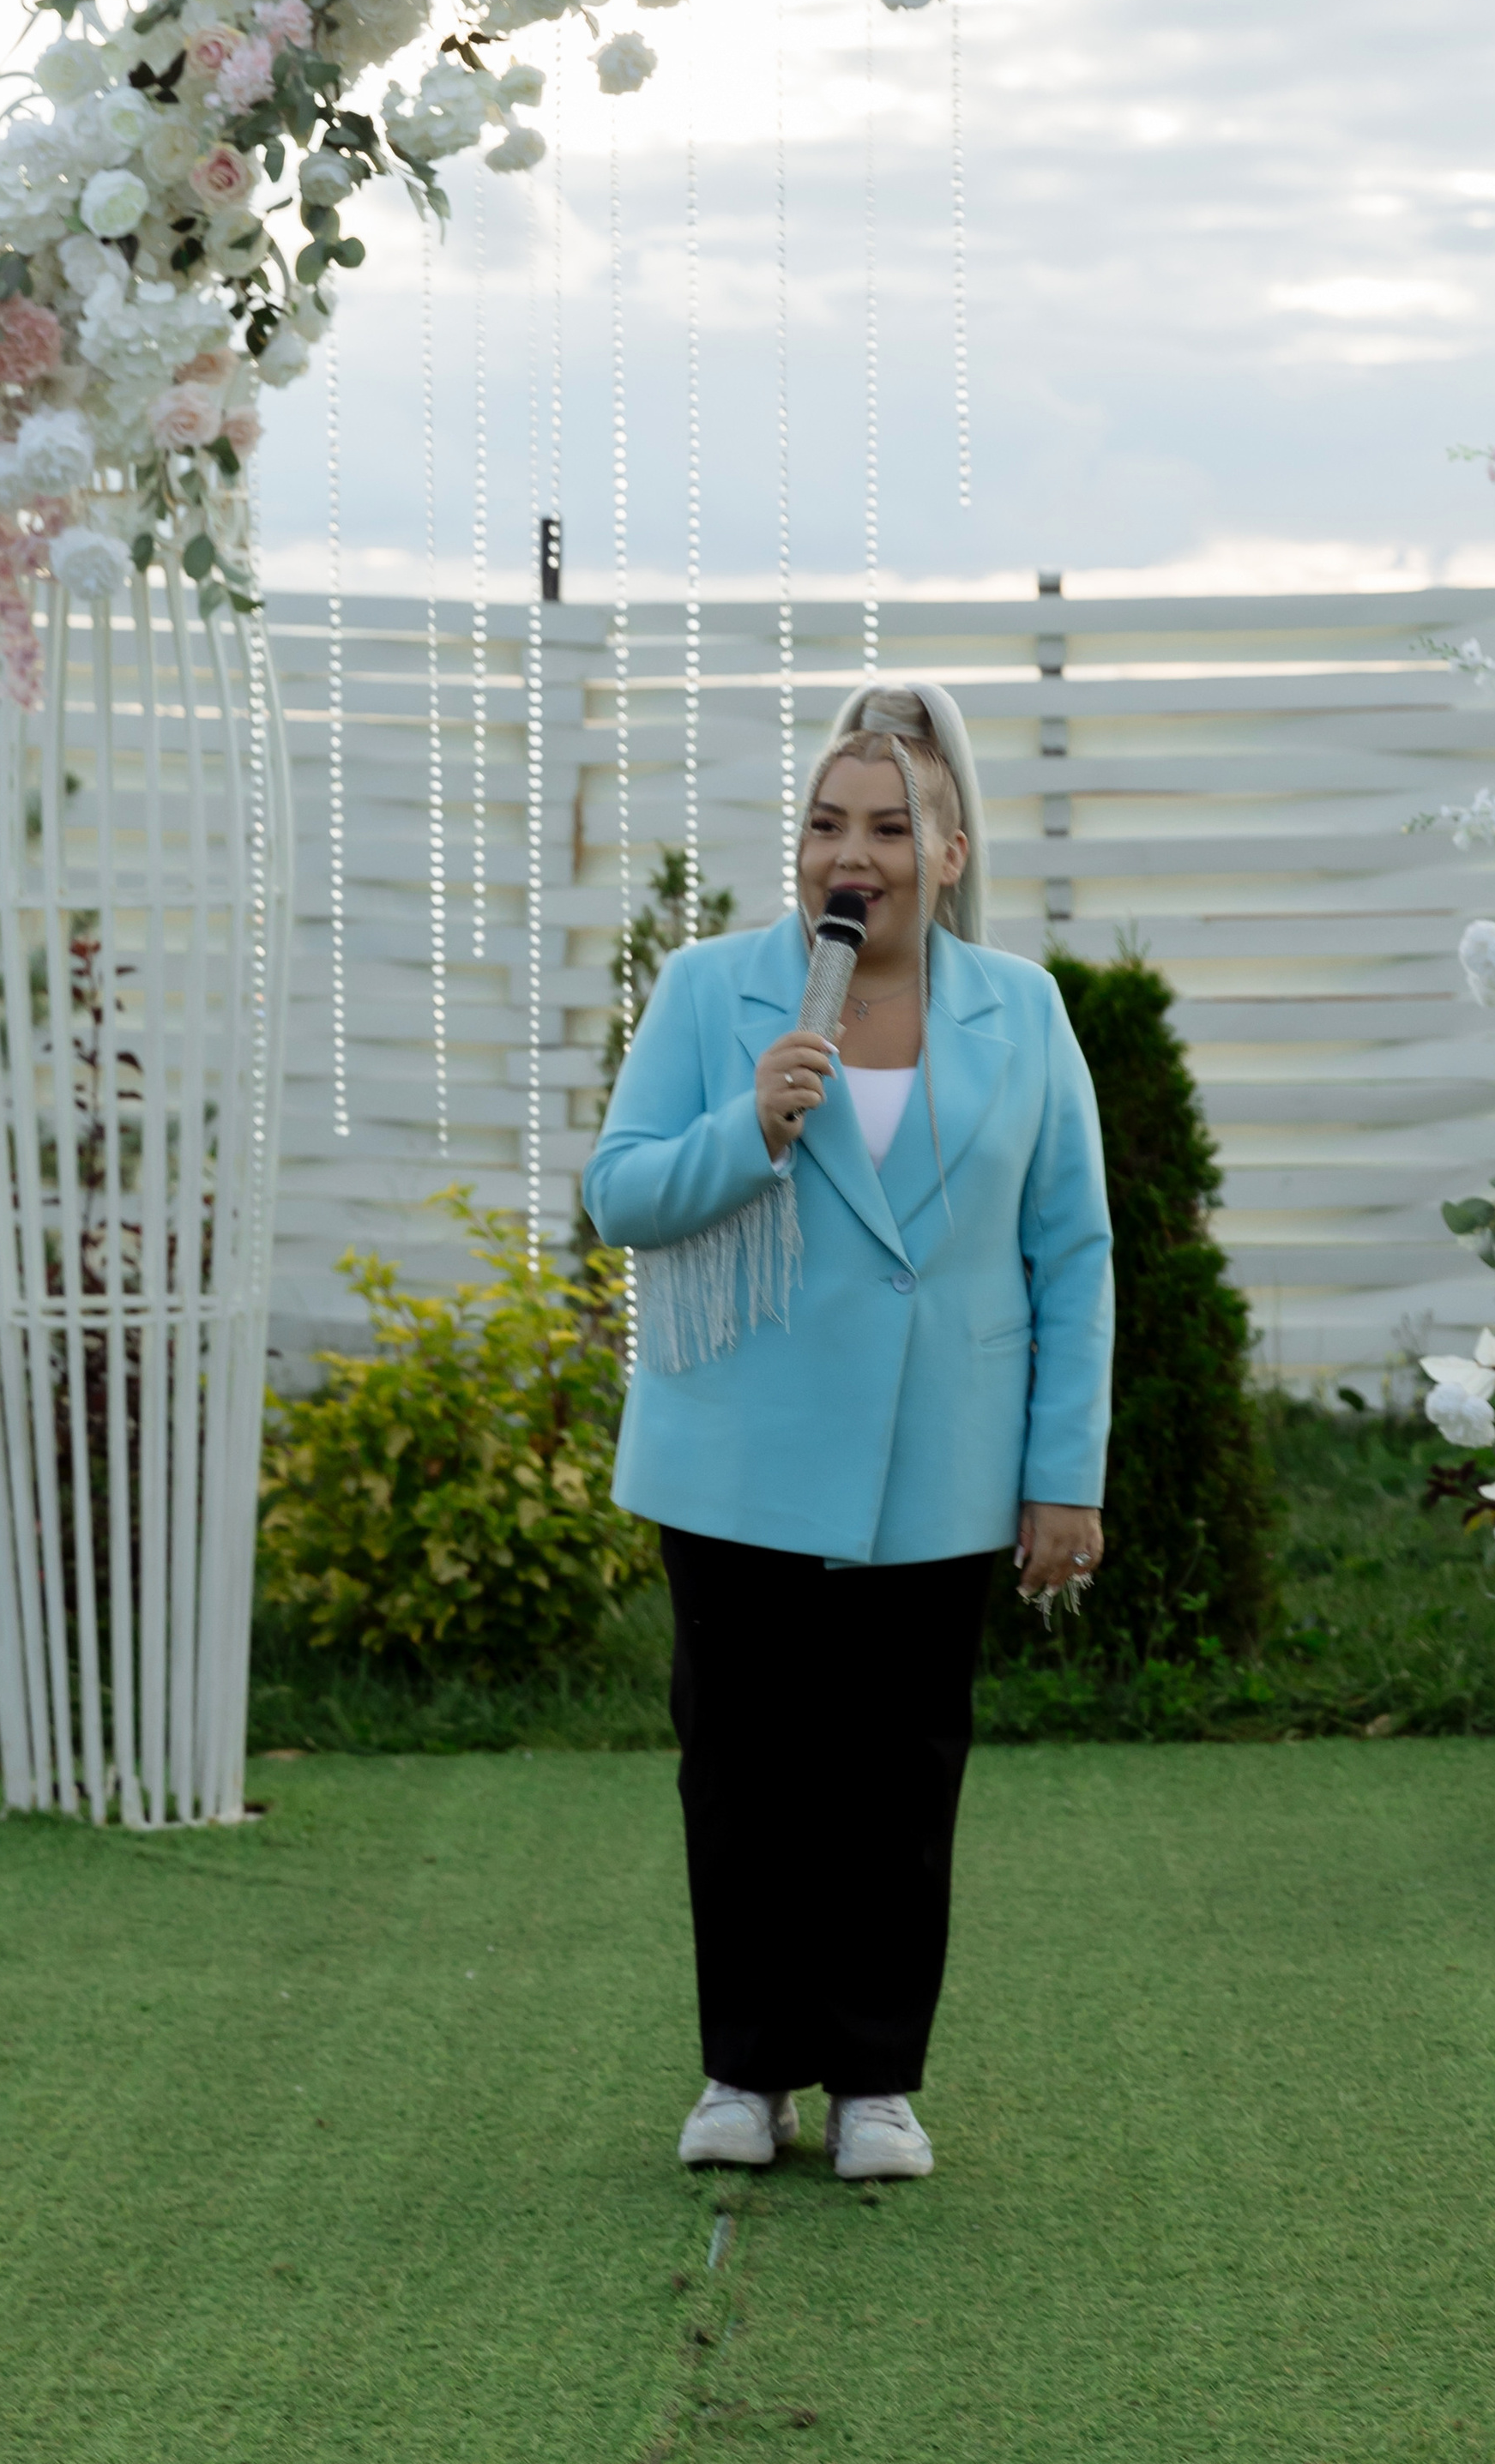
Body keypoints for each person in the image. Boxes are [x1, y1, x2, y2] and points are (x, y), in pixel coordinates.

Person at [584, 681, 1113, 2184]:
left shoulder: (1025, 1010)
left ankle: (877, 2081)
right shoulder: (710, 992)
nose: (851, 855)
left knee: (900, 1775)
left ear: (949, 852)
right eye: (826, 825)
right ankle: (745, 2075)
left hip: (942, 1460)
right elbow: (618, 1194)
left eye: (889, 827)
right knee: (740, 1769)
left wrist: (1063, 1477)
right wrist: (745, 1126)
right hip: (735, 1456)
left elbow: (1073, 1253)